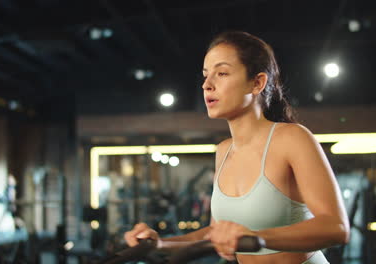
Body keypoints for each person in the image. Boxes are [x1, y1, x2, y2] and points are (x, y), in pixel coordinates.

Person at [124, 31, 349, 264]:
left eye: (221, 73)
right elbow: (214, 234)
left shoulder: (292, 138)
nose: (207, 84)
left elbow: (336, 227)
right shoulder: (223, 151)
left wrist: (257, 238)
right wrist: (160, 243)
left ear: (257, 83)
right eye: (205, 75)